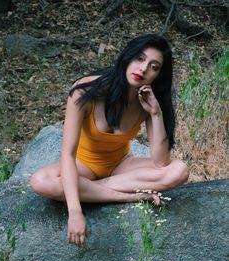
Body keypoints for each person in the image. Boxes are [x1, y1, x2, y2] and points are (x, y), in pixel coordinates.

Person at [30, 34, 189, 248]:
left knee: (179, 171)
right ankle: (125, 196)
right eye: (140, 59)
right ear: (127, 57)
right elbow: (67, 154)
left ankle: (91, 188)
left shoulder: (148, 100)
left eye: (154, 66)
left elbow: (161, 163)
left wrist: (156, 114)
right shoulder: (86, 90)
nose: (143, 69)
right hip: (83, 165)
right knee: (41, 181)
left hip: (120, 165)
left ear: (159, 75)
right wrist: (75, 212)